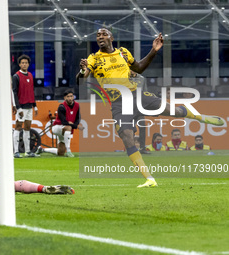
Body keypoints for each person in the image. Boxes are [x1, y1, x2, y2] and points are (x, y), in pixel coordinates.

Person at [76, 26, 224, 188]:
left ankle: (202, 118)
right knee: (127, 137)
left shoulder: (123, 52)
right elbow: (82, 79)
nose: (100, 37)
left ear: (111, 38)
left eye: (104, 34)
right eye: (98, 35)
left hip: (136, 95)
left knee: (172, 111)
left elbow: (138, 68)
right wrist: (82, 71)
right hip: (119, 102)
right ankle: (149, 179)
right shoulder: (93, 58)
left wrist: (153, 51)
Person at [36, 90, 83, 157]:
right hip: (57, 127)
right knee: (68, 127)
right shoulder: (61, 106)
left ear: (73, 97)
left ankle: (42, 149)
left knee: (60, 153)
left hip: (66, 130)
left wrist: (75, 125)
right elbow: (64, 122)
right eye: (68, 96)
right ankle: (69, 151)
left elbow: (78, 118)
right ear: (65, 98)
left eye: (71, 96)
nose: (70, 98)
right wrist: (76, 126)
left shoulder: (77, 105)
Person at [12, 54, 38, 158]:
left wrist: (35, 106)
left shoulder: (31, 75)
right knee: (18, 127)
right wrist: (18, 108)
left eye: (26, 63)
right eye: (22, 63)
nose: (24, 64)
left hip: (29, 106)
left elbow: (31, 91)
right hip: (21, 107)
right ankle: (16, 152)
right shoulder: (16, 76)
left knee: (27, 128)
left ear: (28, 64)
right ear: (19, 64)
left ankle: (27, 151)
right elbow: (14, 92)